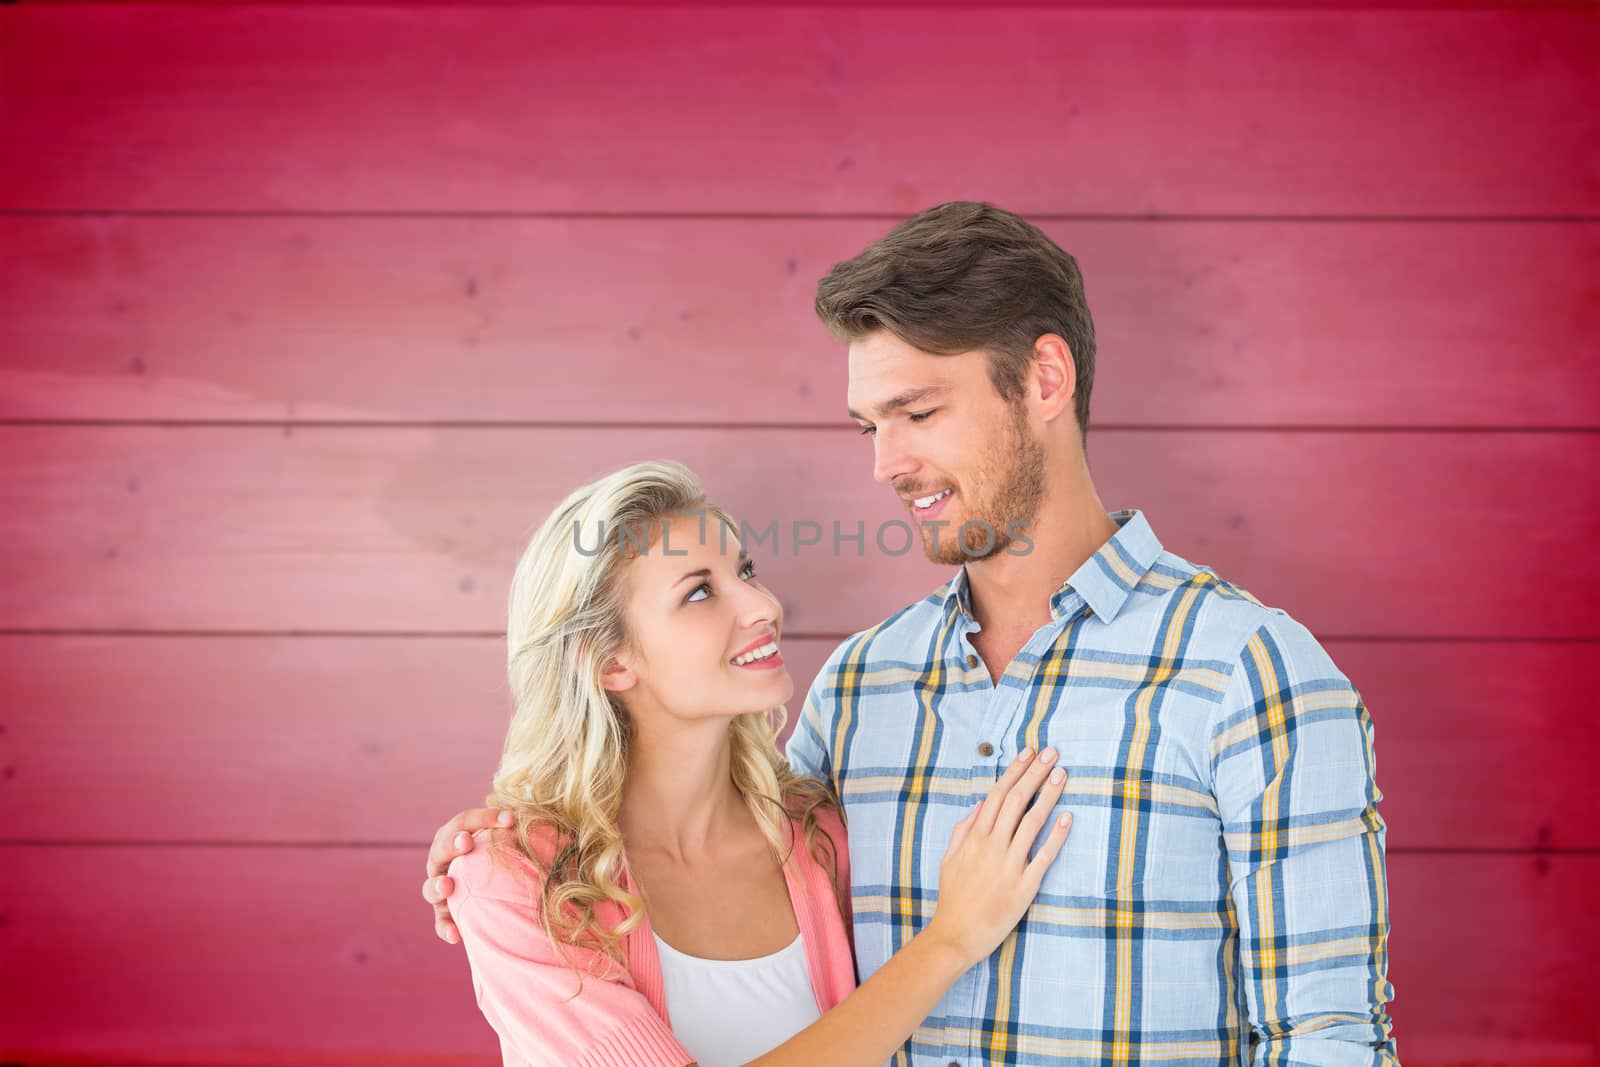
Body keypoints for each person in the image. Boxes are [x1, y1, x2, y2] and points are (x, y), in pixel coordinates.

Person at [427, 202, 1399, 1064]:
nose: (887, 463)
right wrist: (508, 837)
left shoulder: (1247, 675)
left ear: (1045, 378)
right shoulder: (858, 688)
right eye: (868, 426)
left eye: (918, 411)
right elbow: (719, 824)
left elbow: (1329, 1039)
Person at [439, 459, 1076, 1066]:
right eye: (699, 594)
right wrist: (950, 941)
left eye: (744, 571)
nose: (762, 606)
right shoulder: (517, 883)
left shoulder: (817, 837)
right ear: (608, 662)